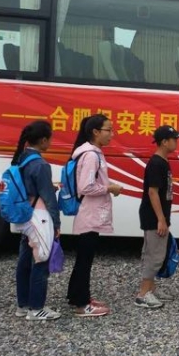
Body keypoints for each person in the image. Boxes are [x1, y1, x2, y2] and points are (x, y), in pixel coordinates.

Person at [67, 114, 123, 317]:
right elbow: (86, 186)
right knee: (85, 259)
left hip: (90, 214)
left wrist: (107, 186)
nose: (112, 134)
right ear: (95, 132)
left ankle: (76, 296)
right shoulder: (91, 155)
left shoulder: (92, 153)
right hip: (90, 215)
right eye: (108, 130)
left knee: (84, 258)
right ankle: (82, 304)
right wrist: (109, 188)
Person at [11, 120, 61, 321]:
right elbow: (48, 198)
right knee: (41, 259)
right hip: (39, 217)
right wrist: (56, 224)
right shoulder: (40, 164)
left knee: (24, 260)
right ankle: (37, 308)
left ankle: (23, 305)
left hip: (25, 215)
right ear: (43, 140)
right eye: (50, 139)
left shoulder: (21, 159)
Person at [135, 125, 179, 309]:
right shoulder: (156, 163)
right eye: (174, 139)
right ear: (164, 142)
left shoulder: (162, 161)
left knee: (156, 252)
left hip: (158, 216)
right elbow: (152, 192)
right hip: (154, 217)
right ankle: (143, 294)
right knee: (154, 255)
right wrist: (161, 219)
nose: (176, 142)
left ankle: (151, 289)